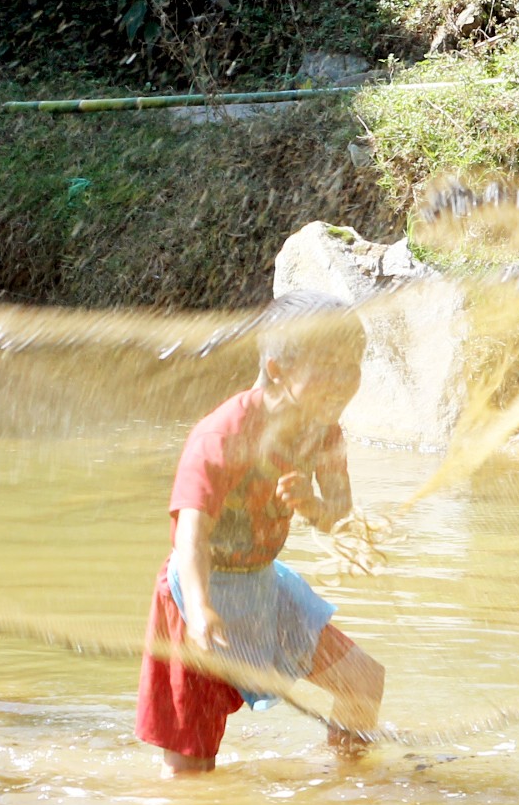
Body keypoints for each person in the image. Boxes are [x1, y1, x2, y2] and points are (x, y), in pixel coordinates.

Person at [136, 299, 387, 775]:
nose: (344, 381)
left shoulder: (326, 435)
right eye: (328, 368)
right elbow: (190, 537)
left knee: (362, 682)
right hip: (198, 594)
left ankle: (346, 794)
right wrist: (201, 607)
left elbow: (342, 519)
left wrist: (313, 507)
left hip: (264, 587)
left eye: (351, 367)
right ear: (276, 369)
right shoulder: (222, 436)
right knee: (192, 770)